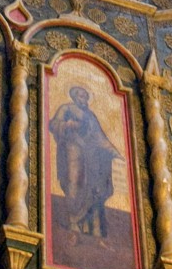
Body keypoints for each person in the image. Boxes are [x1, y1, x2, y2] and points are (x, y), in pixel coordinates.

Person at [48, 85, 120, 238]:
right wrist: (67, 125)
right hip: (71, 150)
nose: (84, 99)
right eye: (81, 96)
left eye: (86, 97)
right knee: (74, 182)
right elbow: (53, 124)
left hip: (89, 155)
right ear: (75, 97)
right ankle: (73, 220)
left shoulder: (90, 116)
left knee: (92, 186)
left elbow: (99, 137)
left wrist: (113, 151)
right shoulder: (66, 108)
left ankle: (89, 226)